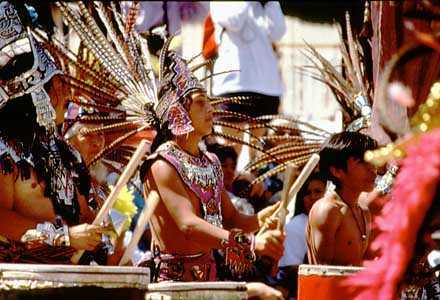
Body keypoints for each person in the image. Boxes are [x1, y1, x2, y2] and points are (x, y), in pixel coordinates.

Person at [139, 47, 285, 282]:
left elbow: (233, 220)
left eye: (209, 102)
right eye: (200, 103)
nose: (210, 109)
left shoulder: (211, 162)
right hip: (172, 284)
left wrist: (262, 219)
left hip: (209, 278)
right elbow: (188, 224)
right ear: (179, 112)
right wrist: (250, 243)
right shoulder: (162, 164)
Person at [0, 1, 109, 264]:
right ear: (36, 95)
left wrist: (99, 236)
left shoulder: (66, 153)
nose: (67, 95)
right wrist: (63, 237)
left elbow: (86, 218)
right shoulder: (4, 153)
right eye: (58, 87)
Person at [209, 1, 286, 165]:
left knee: (256, 151)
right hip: (233, 83)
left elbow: (278, 32)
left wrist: (271, 3)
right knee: (229, 151)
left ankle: (251, 185)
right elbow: (234, 22)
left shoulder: (262, 5)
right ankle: (228, 187)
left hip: (266, 85)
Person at [306, 131, 378, 266]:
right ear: (337, 171)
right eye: (363, 162)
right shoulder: (328, 210)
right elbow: (324, 272)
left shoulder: (364, 212)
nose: (372, 169)